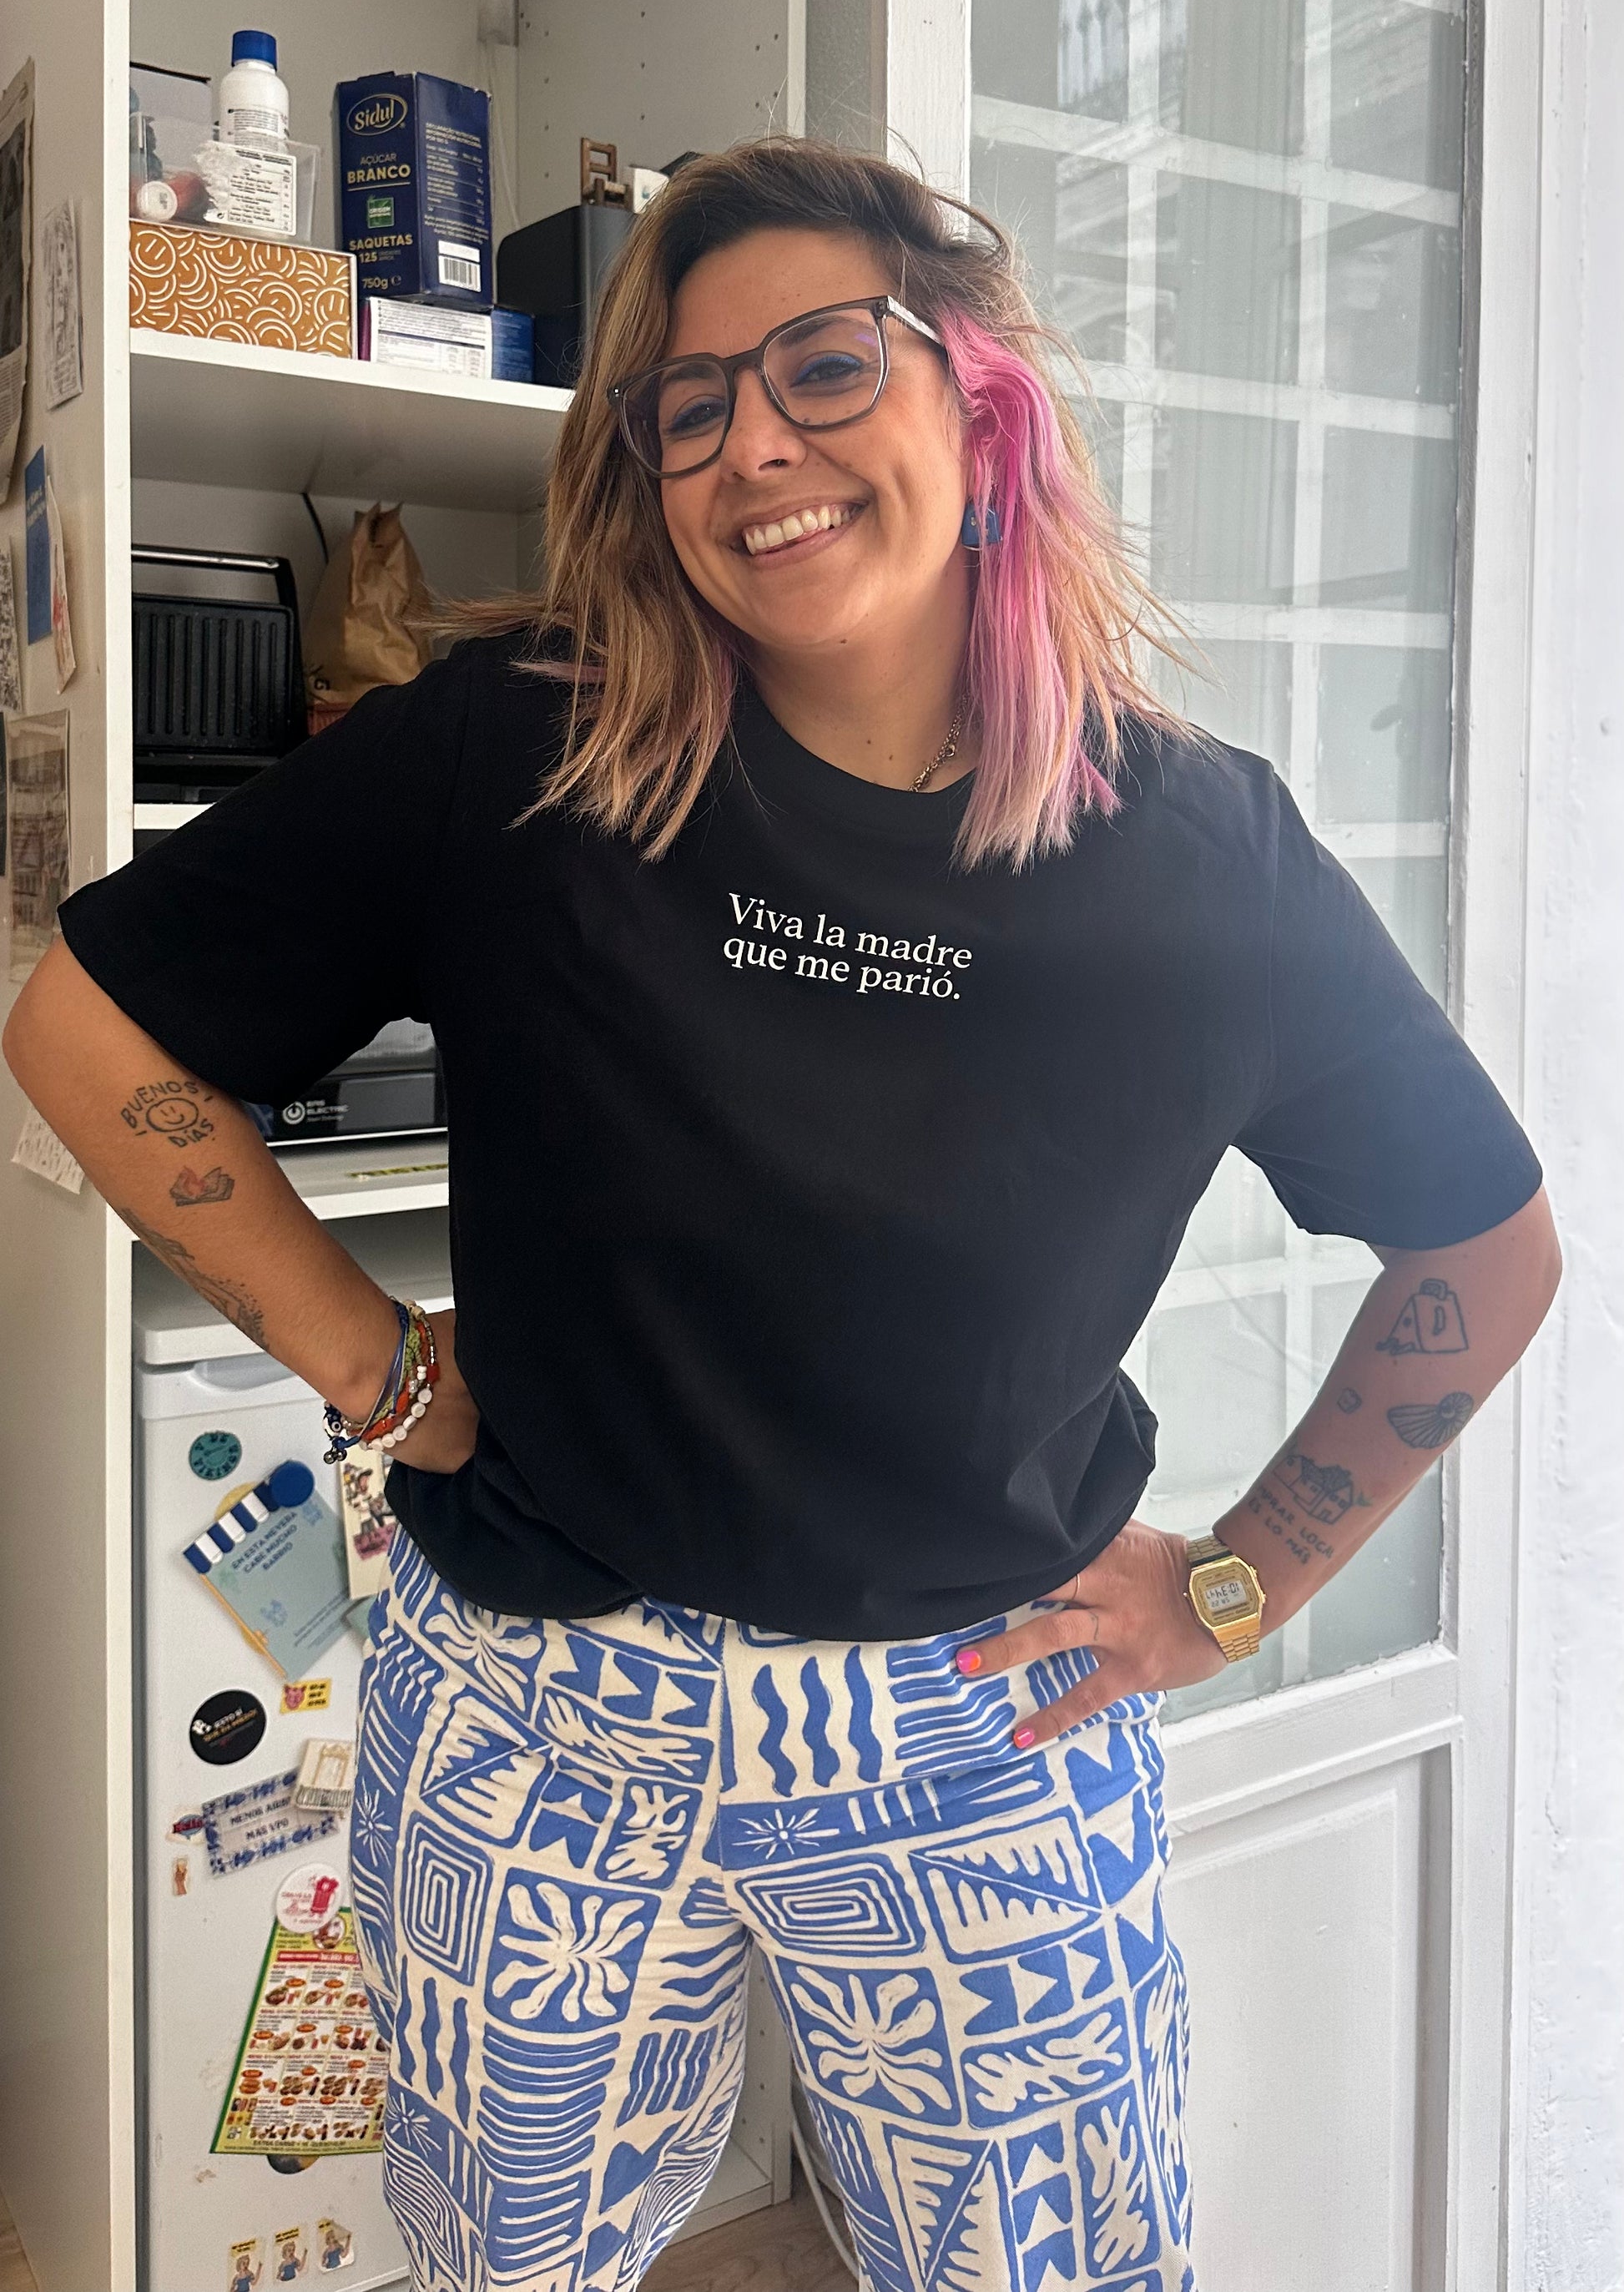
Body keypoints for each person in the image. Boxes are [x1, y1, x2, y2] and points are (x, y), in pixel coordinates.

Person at [6, 141, 1560, 2292]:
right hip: (542, 1701)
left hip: (979, 1722)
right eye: (691, 406)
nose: (755, 446)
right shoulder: (524, 758)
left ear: (980, 399)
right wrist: (376, 1370)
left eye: (828, 365)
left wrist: (1237, 1586)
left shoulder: (1195, 854)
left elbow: (1485, 1248)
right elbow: (83, 1028)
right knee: (498, 2266)